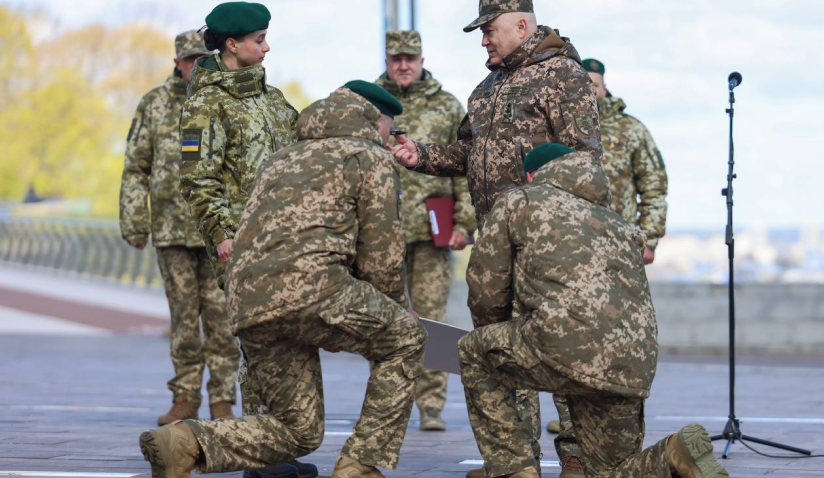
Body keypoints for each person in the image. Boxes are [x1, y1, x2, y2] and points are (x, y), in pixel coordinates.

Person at [139, 80, 425, 478]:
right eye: (389, 129)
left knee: (299, 430)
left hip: (248, 300)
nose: (389, 138)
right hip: (317, 290)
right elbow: (382, 258)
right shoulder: (369, 157)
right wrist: (391, 309)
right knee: (406, 338)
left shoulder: (280, 158)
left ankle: (185, 442)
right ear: (373, 119)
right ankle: (359, 463)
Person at [390, 1, 598, 474]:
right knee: (501, 349)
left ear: (522, 26)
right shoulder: (487, 86)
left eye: (490, 30)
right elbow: (468, 153)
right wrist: (418, 154)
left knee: (559, 348)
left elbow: (584, 159)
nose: (484, 40)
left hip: (548, 244)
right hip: (494, 244)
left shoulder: (563, 76)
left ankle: (579, 458)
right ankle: (514, 461)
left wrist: (540, 191)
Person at [458, 143, 730, 478]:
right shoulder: (620, 224)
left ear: (533, 175)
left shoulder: (520, 201)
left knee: (473, 351)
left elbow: (487, 286)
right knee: (609, 473)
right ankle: (673, 453)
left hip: (564, 348)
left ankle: (514, 469)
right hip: (630, 365)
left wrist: (492, 334)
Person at [177, 4, 314, 478]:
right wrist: (221, 236)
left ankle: (279, 444)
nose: (266, 46)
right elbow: (198, 179)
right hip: (243, 247)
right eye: (259, 38)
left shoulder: (272, 99)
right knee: (259, 347)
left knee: (288, 345)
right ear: (231, 45)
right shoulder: (206, 104)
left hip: (287, 245)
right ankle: (259, 449)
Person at [119, 30, 239, 426]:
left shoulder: (224, 99)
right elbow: (137, 167)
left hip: (218, 232)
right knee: (184, 322)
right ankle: (185, 396)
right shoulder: (154, 105)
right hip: (172, 231)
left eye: (205, 57)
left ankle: (222, 399)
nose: (198, 65)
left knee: (222, 320)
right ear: (178, 63)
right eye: (191, 59)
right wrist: (135, 221)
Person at [376, 29, 476, 431]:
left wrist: (465, 223)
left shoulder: (447, 105)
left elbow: (465, 167)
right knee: (384, 318)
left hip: (434, 229)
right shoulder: (370, 104)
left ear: (421, 60)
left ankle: (431, 405)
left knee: (431, 319)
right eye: (396, 58)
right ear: (386, 61)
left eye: (410, 58)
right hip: (382, 228)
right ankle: (388, 403)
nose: (403, 65)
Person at [584, 58, 668, 265]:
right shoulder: (561, 127)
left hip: (621, 243)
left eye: (594, 85)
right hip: (573, 243)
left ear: (604, 89)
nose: (589, 91)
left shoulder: (631, 129)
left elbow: (653, 186)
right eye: (583, 85)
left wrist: (649, 239)